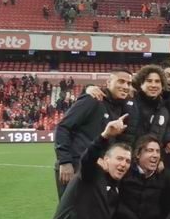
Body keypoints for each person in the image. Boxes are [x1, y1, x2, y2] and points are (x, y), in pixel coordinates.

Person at [54, 69, 137, 198]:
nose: (125, 86)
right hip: (76, 167)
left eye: (129, 83)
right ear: (108, 82)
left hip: (98, 170)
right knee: (72, 213)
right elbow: (63, 127)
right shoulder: (92, 99)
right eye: (121, 81)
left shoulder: (120, 107)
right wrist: (64, 161)